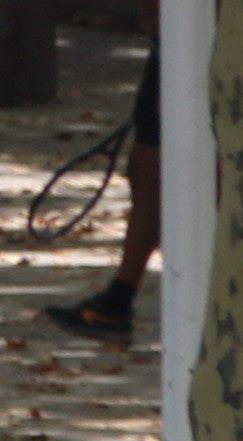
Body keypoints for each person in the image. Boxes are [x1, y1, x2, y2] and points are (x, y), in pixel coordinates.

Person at [40, 26, 162, 346]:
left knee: (152, 175)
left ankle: (119, 302)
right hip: (173, 49)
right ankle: (117, 303)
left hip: (188, 51)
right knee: (146, 173)